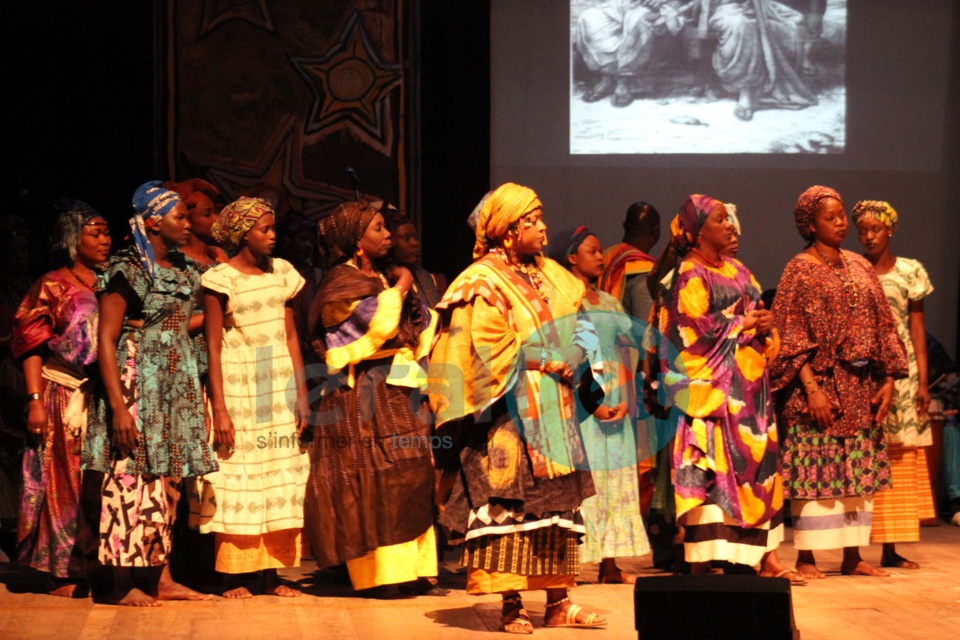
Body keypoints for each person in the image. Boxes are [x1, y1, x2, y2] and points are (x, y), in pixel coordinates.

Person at [429, 183, 605, 633]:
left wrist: (578, 356)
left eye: (541, 217)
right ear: (508, 231)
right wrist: (549, 358)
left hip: (556, 409)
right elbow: (485, 347)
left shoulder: (555, 276)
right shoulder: (479, 282)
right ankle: (511, 603)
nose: (544, 227)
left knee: (558, 506)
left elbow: (583, 326)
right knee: (509, 505)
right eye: (532, 221)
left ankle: (558, 602)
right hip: (507, 416)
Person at [82, 181, 216, 605]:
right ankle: (123, 583)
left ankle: (162, 577)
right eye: (179, 216)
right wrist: (119, 407)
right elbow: (106, 339)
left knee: (167, 482)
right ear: (154, 222)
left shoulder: (184, 269)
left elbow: (181, 324)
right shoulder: (129, 269)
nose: (187, 223)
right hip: (136, 378)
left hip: (175, 378)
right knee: (130, 477)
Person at [658, 195, 800, 582]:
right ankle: (706, 563)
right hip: (716, 397)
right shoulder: (689, 273)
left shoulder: (740, 271)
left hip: (751, 393)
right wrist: (742, 325)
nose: (731, 226)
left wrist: (767, 325)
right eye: (721, 220)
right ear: (699, 230)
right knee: (714, 472)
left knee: (755, 469)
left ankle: (749, 560)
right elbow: (689, 331)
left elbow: (756, 318)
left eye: (729, 220)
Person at [771, 186, 907, 579]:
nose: (840, 222)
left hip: (862, 385)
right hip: (819, 385)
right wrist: (811, 389)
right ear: (809, 224)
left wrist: (889, 380)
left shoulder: (859, 265)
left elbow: (885, 323)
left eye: (842, 215)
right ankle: (808, 558)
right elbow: (788, 333)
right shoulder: (799, 268)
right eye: (829, 217)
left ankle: (853, 556)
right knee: (815, 470)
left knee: (857, 473)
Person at [306, 200, 440, 596]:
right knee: (372, 477)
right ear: (357, 242)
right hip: (361, 394)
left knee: (407, 473)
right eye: (378, 229)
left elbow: (414, 322)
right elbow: (377, 325)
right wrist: (401, 287)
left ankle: (411, 568)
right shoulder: (340, 282)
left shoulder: (380, 276)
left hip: (396, 386)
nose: (386, 236)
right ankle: (379, 574)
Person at [200, 196, 310, 597]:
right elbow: (213, 346)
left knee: (280, 478)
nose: (273, 236)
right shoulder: (220, 279)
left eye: (273, 228)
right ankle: (233, 576)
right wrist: (221, 409)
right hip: (240, 387)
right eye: (264, 229)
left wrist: (301, 394)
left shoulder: (283, 272)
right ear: (242, 234)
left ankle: (272, 575)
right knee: (239, 477)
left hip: (277, 387)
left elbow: (293, 336)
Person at [12, 201, 110, 596]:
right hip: (65, 392)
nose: (105, 240)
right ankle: (63, 570)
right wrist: (35, 398)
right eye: (95, 233)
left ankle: (101, 562)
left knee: (102, 483)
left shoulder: (115, 278)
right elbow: (30, 345)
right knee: (65, 482)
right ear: (74, 240)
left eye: (106, 232)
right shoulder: (52, 284)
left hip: (109, 393)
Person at [549, 225, 650, 584]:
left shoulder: (609, 302)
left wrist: (625, 398)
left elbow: (627, 350)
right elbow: (566, 356)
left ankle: (610, 563)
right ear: (571, 257)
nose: (601, 257)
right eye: (592, 251)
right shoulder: (563, 302)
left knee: (614, 481)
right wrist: (591, 403)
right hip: (579, 400)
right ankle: (572, 563)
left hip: (615, 397)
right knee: (583, 482)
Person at [853, 200, 936, 569]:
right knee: (869, 453)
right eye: (863, 230)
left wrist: (921, 379)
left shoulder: (909, 271)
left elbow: (916, 327)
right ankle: (854, 547)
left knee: (900, 456)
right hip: (866, 372)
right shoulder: (854, 269)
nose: (869, 236)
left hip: (903, 375)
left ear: (889, 230)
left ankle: (890, 548)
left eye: (876, 229)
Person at [702, 0, 818, 120]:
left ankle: (797, 65)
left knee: (796, 19)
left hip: (760, 5)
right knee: (745, 25)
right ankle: (745, 93)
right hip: (727, 9)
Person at [575, 0, 685, 107]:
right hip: (624, 3)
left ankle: (624, 81)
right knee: (588, 18)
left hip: (659, 5)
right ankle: (608, 76)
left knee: (639, 22)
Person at [598, 201, 661, 323]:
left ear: (624, 225)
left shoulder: (604, 256)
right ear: (656, 231)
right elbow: (644, 331)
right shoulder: (645, 270)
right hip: (627, 340)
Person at [384, 206, 444, 308]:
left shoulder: (424, 276)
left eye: (415, 238)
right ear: (390, 241)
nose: (415, 243)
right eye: (407, 238)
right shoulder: (381, 278)